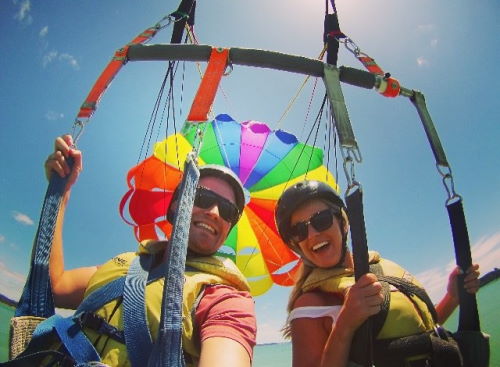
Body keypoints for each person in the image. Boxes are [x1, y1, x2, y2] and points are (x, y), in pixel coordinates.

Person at [37, 134, 257, 366]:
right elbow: (53, 287)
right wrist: (61, 192)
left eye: (227, 210)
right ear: (176, 204)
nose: (214, 212)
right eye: (202, 197)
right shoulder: (126, 262)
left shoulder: (224, 299)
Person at [274, 180, 480, 367]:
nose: (312, 234)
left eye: (322, 219)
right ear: (297, 245)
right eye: (299, 231)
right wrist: (346, 324)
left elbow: (417, 336)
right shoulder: (310, 304)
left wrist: (453, 297)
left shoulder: (379, 268)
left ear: (343, 223)